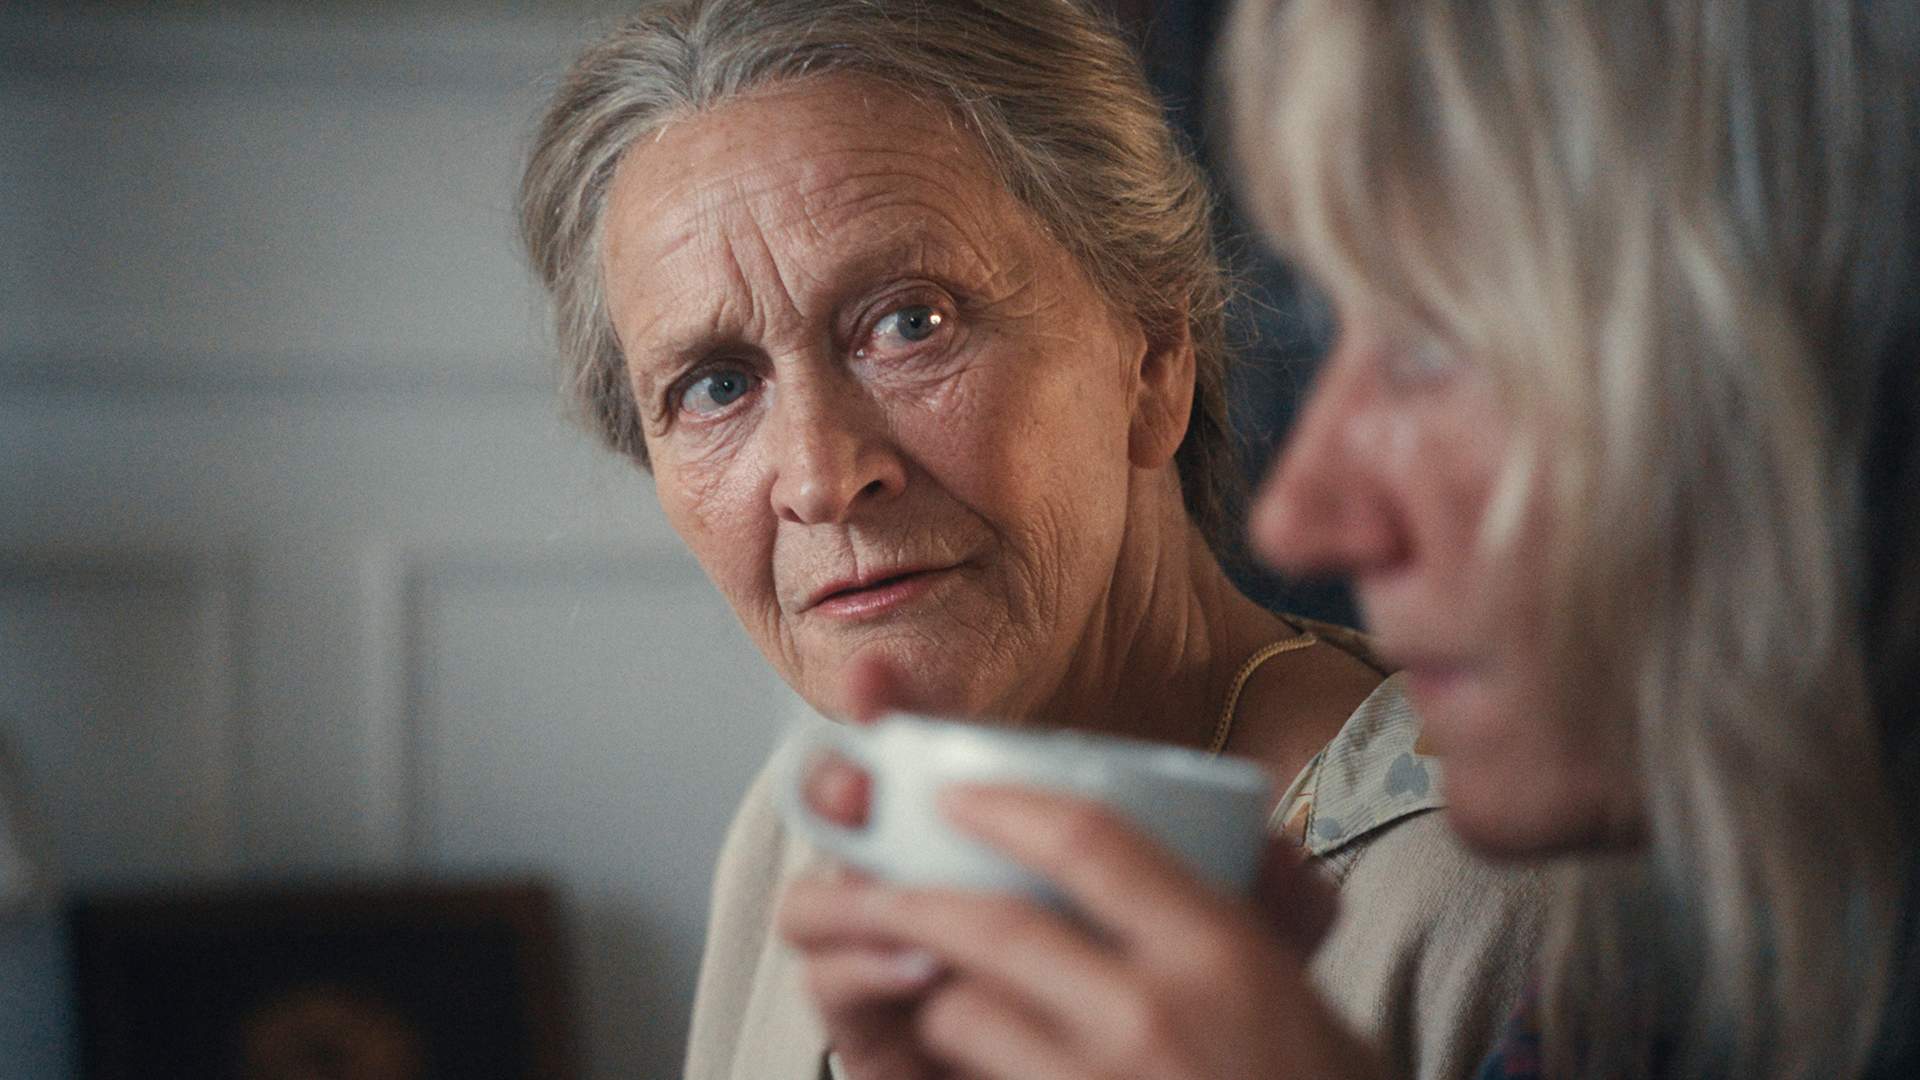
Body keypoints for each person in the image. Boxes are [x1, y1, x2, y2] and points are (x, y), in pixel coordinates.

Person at [777, 1, 1918, 1078]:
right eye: (715, 384)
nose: (1299, 519)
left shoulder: (1510, 915)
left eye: (1434, 341)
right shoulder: (1661, 976)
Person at [517, 2, 1547, 1078]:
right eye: (716, 387)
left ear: (1154, 360)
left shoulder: (1493, 900)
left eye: (911, 323)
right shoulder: (804, 836)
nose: (821, 478)